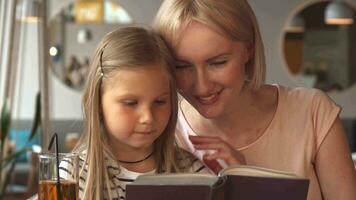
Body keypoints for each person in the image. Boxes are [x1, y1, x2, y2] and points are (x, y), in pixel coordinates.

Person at [153, 0, 356, 199]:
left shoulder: (311, 112)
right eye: (182, 66)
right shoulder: (162, 130)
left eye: (218, 62)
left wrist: (248, 185)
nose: (202, 86)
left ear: (248, 49)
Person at [60, 26, 207, 200]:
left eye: (159, 102)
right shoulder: (72, 175)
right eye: (131, 103)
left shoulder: (191, 171)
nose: (148, 117)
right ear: (99, 101)